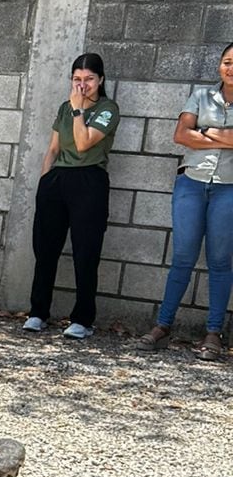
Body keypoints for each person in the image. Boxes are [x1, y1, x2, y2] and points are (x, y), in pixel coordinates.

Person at [140, 42, 233, 361]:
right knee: (182, 257)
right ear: (220, 65)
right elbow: (180, 135)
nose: (231, 68)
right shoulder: (200, 96)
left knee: (220, 261)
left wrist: (204, 131)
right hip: (191, 184)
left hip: (228, 189)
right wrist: (224, 135)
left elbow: (193, 134)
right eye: (227, 61)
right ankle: (163, 326)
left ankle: (213, 333)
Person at [22, 52, 120, 340]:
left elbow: (82, 143)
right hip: (58, 180)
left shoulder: (107, 109)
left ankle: (82, 319)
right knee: (45, 248)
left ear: (101, 80)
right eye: (77, 79)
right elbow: (53, 148)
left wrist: (79, 110)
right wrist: (45, 180)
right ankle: (38, 312)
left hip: (89, 179)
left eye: (89, 79)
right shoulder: (65, 108)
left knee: (86, 252)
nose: (82, 85)